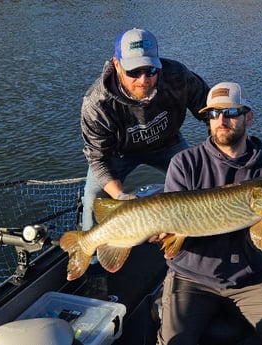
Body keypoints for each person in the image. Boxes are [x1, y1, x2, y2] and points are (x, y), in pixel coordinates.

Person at [152, 82, 262, 344]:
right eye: (213, 114)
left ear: (249, 117)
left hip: (248, 280)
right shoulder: (185, 163)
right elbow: (172, 240)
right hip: (191, 278)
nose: (221, 120)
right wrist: (161, 233)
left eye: (230, 112)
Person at [80, 28, 210, 298]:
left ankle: (200, 250)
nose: (144, 79)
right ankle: (94, 272)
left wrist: (221, 151)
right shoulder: (97, 103)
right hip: (118, 155)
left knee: (200, 186)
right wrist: (121, 198)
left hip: (167, 145)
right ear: (116, 65)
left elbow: (209, 112)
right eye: (134, 72)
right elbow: (98, 159)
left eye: (150, 71)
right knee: (93, 198)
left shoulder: (177, 77)